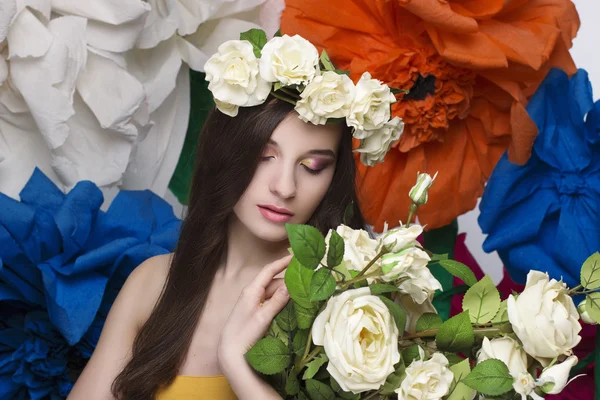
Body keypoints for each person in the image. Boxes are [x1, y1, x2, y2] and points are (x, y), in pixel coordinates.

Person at [67, 31, 401, 399]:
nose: (284, 187)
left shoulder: (350, 307)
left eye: (312, 166)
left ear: (333, 178)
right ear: (226, 153)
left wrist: (236, 364)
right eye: (264, 156)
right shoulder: (153, 282)